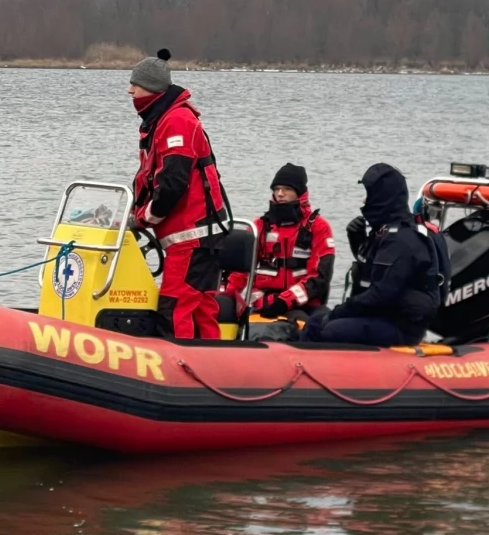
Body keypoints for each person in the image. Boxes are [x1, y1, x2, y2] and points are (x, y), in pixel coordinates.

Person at [128, 48, 230, 340]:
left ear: (151, 88)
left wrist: (143, 219)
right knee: (200, 308)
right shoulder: (160, 121)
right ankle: (212, 360)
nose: (130, 90)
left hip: (193, 237)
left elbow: (172, 183)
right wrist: (130, 214)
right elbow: (150, 180)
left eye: (135, 84)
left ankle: (179, 362)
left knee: (175, 307)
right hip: (196, 237)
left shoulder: (177, 122)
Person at [301, 163, 447, 347]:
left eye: (368, 196)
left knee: (328, 329)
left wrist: (338, 312)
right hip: (380, 316)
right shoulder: (384, 233)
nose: (364, 202)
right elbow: (371, 272)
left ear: (381, 198)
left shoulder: (403, 240)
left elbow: (381, 294)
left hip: (401, 326)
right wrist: (358, 241)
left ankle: (310, 362)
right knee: (315, 322)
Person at [224, 163, 335, 324]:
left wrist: (285, 300)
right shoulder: (260, 226)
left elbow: (319, 277)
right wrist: (226, 299)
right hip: (263, 303)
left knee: (324, 324)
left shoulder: (319, 227)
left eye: (287, 189)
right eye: (276, 189)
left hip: (303, 305)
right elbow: (240, 272)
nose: (280, 194)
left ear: (300, 193)